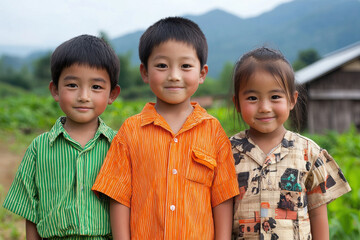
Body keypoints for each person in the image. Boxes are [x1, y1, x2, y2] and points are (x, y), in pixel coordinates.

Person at [92, 17, 239, 239]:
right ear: (144, 72)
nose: (174, 75)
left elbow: (223, 197)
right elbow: (119, 196)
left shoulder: (213, 131)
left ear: (202, 73)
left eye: (186, 66)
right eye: (162, 65)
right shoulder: (130, 131)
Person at [2, 34, 121, 239]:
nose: (84, 96)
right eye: (72, 85)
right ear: (55, 90)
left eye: (96, 87)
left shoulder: (119, 145)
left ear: (112, 94)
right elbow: (31, 208)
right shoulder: (39, 148)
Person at [230, 47, 351, 239]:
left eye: (275, 97)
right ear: (237, 103)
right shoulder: (228, 153)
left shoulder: (308, 152)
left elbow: (318, 214)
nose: (264, 107)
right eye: (252, 98)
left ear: (292, 100)